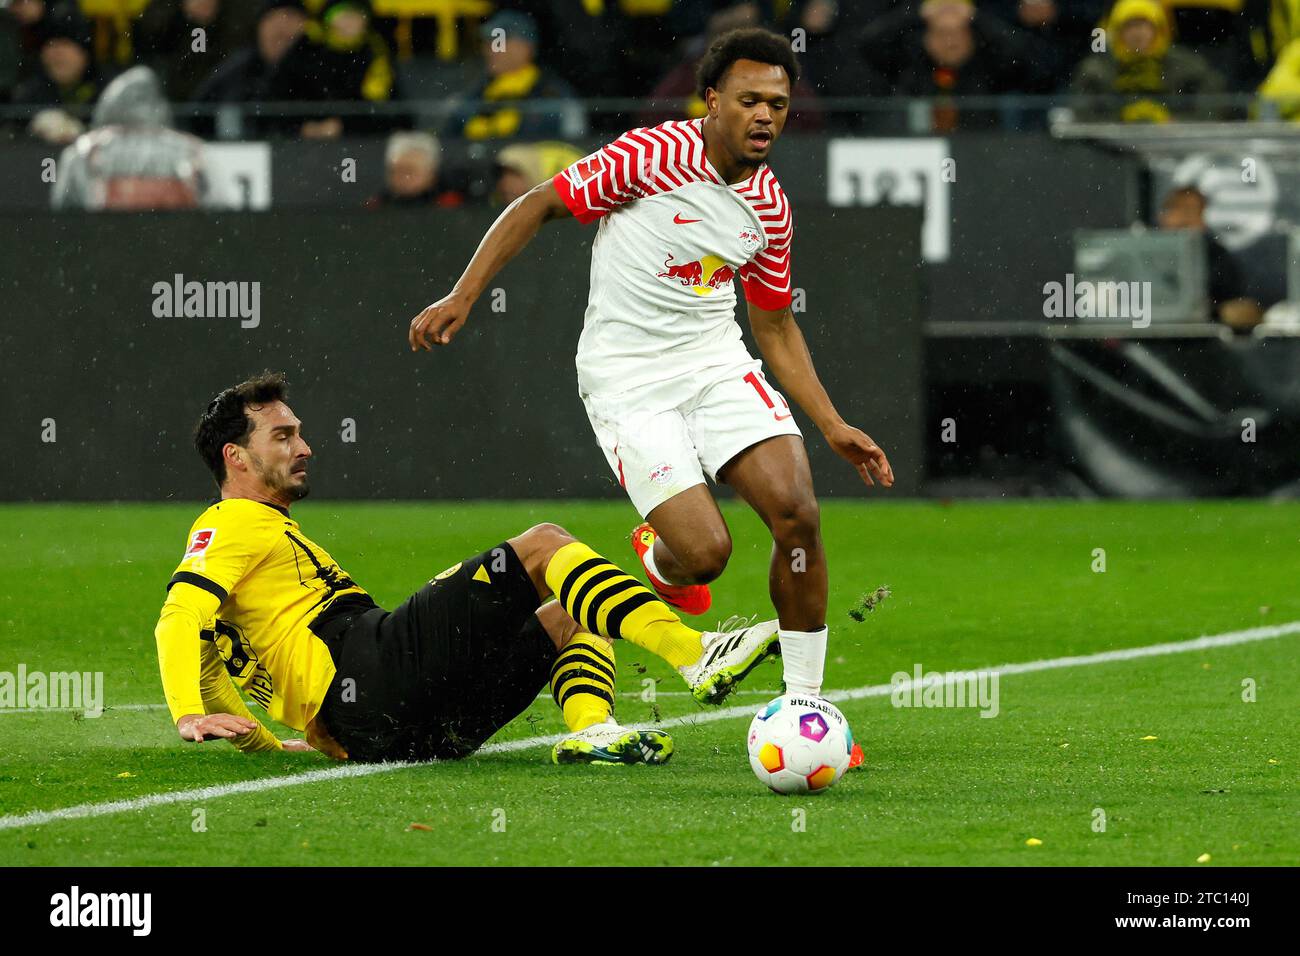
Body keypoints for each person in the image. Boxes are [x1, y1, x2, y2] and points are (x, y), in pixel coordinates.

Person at [409, 28, 894, 703]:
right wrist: (465, 293)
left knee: (798, 514)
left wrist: (833, 423)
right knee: (706, 557)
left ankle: (805, 702)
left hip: (715, 362)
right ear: (711, 101)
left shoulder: (770, 207)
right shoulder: (651, 154)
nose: (764, 116)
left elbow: (775, 324)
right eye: (749, 100)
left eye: (778, 105)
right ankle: (663, 559)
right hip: (627, 376)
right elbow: (539, 202)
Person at [154, 372, 778, 765]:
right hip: (368, 672)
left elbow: (209, 651)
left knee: (575, 608)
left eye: (300, 434)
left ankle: (593, 731)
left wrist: (264, 741)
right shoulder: (232, 523)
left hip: (392, 733)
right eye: (283, 437)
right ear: (236, 456)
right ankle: (695, 653)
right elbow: (179, 620)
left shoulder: (255, 538)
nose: (305, 447)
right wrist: (186, 713)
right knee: (543, 545)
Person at [51, 65, 212, 210]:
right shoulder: (194, 150)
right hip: (179, 239)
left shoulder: (82, 152)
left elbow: (64, 216)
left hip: (104, 239)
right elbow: (218, 211)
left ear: (108, 104)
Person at [1070, 0, 1227, 122]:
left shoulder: (1188, 65)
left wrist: (1173, 123)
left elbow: (1210, 108)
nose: (1137, 33)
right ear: (1117, 31)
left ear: (1159, 29)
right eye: (1130, 26)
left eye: (1144, 25)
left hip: (1177, 148)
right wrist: (1119, 121)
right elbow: (1082, 116)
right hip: (1111, 151)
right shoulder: (1096, 70)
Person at [442, 10, 583, 142]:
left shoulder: (553, 93)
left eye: (499, 42)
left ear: (525, 48)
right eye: (488, 43)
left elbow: (573, 147)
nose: (490, 50)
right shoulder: (476, 92)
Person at [1157, 185, 1263, 331]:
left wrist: (1218, 312)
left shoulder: (1217, 256)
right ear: (1163, 216)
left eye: (1194, 212)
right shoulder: (1143, 254)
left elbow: (1235, 307)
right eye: (1180, 210)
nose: (1187, 220)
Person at [365, 131, 464, 209]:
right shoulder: (378, 206)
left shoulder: (451, 203)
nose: (402, 177)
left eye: (409, 171)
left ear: (431, 173)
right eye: (395, 171)